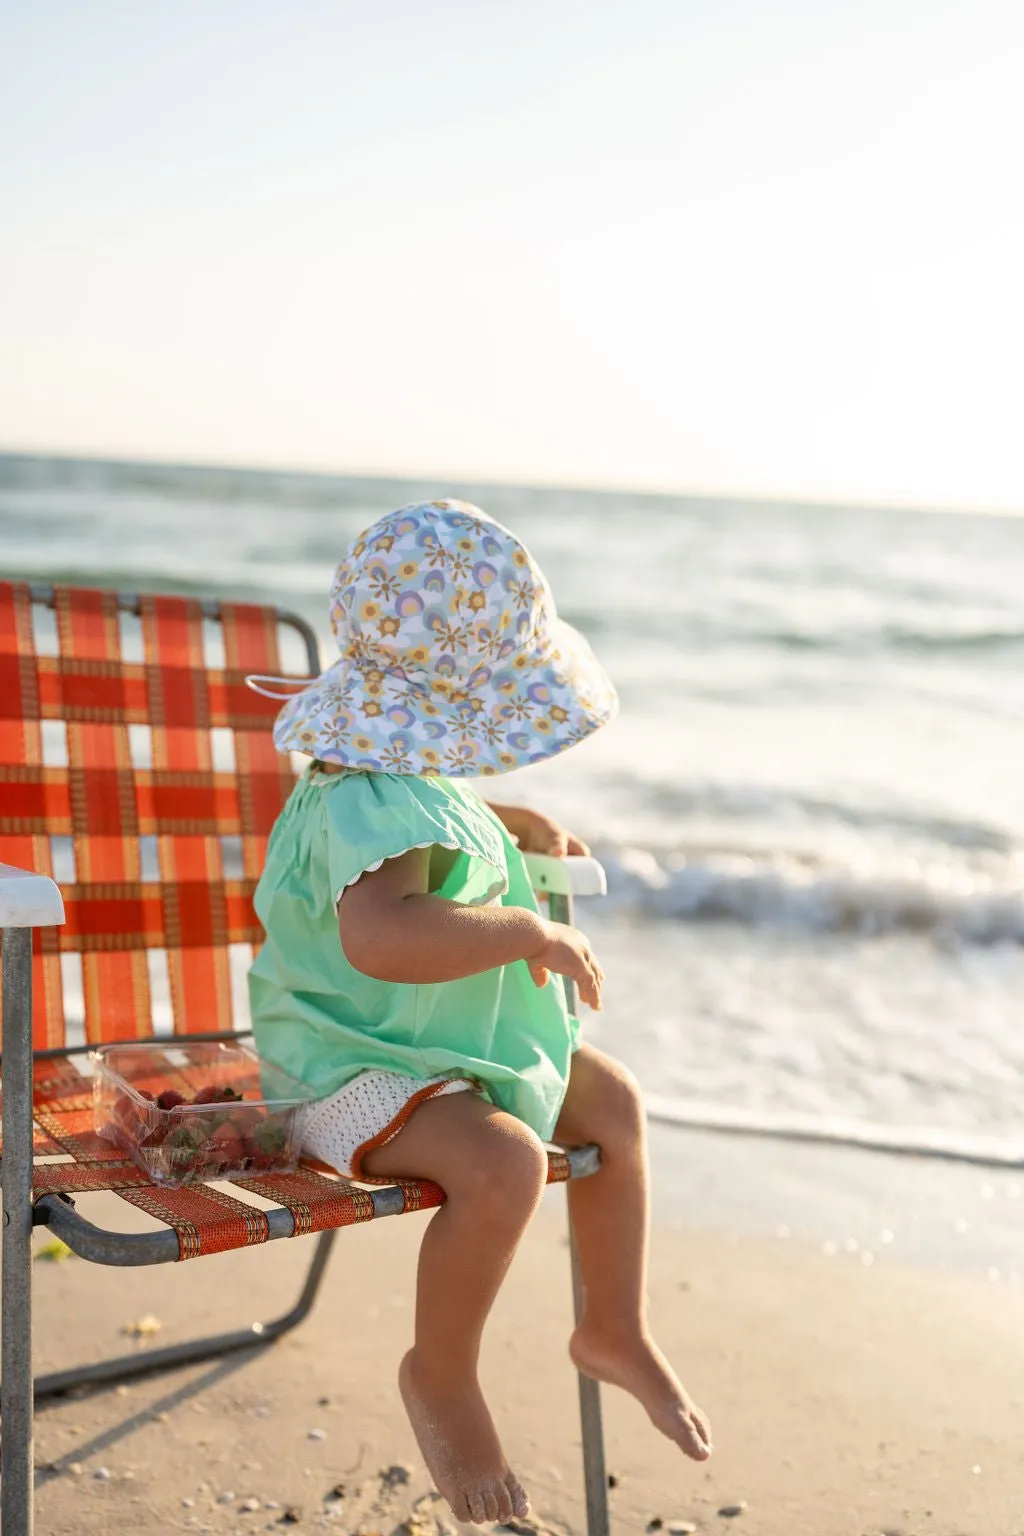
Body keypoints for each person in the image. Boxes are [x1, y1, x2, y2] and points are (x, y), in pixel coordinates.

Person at [247, 500, 712, 1525]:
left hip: (436, 1041)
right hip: (348, 1067)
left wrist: (504, 823)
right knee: (502, 1162)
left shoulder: (395, 771)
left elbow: (420, 824)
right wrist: (523, 931)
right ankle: (441, 1370)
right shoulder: (375, 792)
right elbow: (381, 936)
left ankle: (614, 1326)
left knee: (615, 1106)